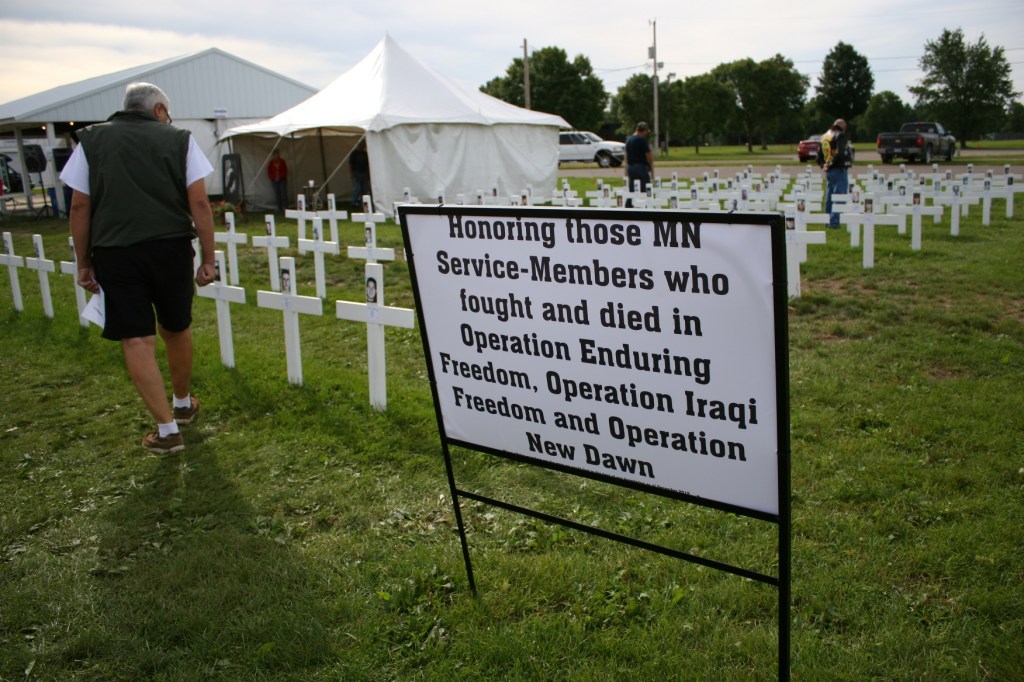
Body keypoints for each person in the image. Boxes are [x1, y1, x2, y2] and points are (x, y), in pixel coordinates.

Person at [60, 82, 216, 454]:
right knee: (176, 327)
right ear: (159, 110)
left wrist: (83, 263)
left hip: (116, 251)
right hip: (171, 248)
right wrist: (209, 258)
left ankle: (166, 431)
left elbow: (80, 207)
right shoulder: (179, 139)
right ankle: (182, 404)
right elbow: (200, 204)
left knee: (136, 339)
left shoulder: (91, 142)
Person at [821, 118, 852, 228]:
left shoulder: (825, 136)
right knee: (839, 196)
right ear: (842, 126)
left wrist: (824, 165)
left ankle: (827, 220)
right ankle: (835, 222)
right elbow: (840, 153)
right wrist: (832, 164)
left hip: (829, 171)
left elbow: (818, 156)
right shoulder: (840, 135)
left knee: (829, 197)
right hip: (839, 169)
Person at [624, 122, 654, 206]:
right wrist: (651, 165)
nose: (646, 134)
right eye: (646, 132)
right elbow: (649, 155)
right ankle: (646, 206)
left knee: (632, 190)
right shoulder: (642, 139)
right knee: (646, 189)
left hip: (631, 168)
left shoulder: (628, 140)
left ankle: (628, 208)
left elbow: (626, 156)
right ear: (643, 130)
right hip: (641, 168)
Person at [349, 142, 370, 209]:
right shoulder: (354, 153)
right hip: (356, 172)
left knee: (364, 190)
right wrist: (352, 173)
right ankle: (353, 203)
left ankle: (363, 204)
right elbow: (350, 164)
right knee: (357, 189)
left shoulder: (365, 154)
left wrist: (368, 174)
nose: (363, 146)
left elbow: (367, 165)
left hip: (364, 173)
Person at [268, 149, 288, 214]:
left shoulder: (282, 162)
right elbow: (269, 172)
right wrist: (274, 178)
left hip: (282, 180)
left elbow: (285, 170)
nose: (276, 156)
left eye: (277, 155)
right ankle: (279, 208)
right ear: (273, 156)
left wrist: (280, 177)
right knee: (277, 194)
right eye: (275, 155)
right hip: (274, 181)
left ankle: (285, 207)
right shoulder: (271, 163)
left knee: (283, 194)